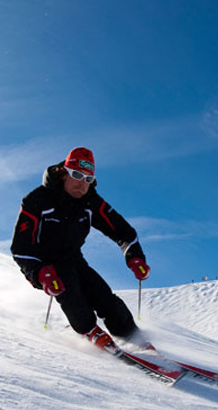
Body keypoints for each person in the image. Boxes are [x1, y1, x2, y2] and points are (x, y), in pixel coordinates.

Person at [11, 147, 151, 353]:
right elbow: (21, 248)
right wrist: (40, 272)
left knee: (105, 298)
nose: (81, 183)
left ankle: (132, 336)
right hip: (48, 264)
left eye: (88, 178)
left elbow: (123, 231)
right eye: (76, 175)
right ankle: (88, 330)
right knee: (72, 295)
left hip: (75, 259)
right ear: (63, 173)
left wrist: (135, 258)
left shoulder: (90, 202)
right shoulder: (37, 200)